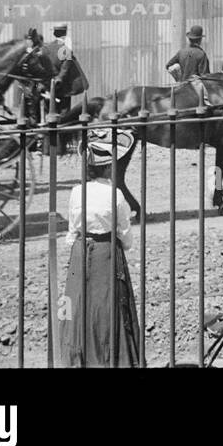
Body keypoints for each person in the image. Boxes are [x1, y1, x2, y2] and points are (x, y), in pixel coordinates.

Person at [61, 128, 142, 366]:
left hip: (80, 250)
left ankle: (78, 355)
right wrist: (124, 244)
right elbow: (124, 233)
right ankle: (112, 357)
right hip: (107, 251)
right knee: (110, 304)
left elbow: (73, 227)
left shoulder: (77, 191)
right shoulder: (115, 194)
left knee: (76, 302)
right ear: (108, 168)